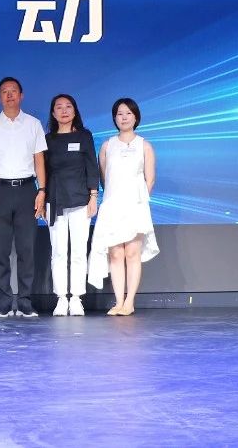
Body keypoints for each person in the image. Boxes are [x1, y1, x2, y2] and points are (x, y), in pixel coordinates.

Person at [0, 77, 48, 318]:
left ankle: (26, 302)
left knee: (27, 249)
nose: (9, 95)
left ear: (21, 95)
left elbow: (39, 160)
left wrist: (42, 190)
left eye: (13, 91)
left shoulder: (33, 124)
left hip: (27, 190)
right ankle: (3, 303)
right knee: (1, 250)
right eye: (5, 92)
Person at [87, 98, 160, 316]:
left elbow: (150, 180)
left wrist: (138, 201)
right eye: (120, 114)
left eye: (128, 113)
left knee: (132, 252)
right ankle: (119, 301)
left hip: (136, 205)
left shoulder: (144, 145)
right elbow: (104, 177)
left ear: (136, 117)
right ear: (114, 118)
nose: (124, 117)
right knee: (116, 253)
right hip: (112, 205)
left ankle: (130, 301)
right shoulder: (107, 146)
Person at [42, 94, 99, 317]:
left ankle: (76, 298)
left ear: (75, 111)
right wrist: (42, 198)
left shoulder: (84, 136)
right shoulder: (48, 139)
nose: (64, 111)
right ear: (53, 113)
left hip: (80, 200)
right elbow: (43, 171)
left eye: (68, 106)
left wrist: (93, 196)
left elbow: (91, 167)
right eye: (59, 107)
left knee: (78, 251)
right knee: (58, 251)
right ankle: (60, 298)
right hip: (54, 200)